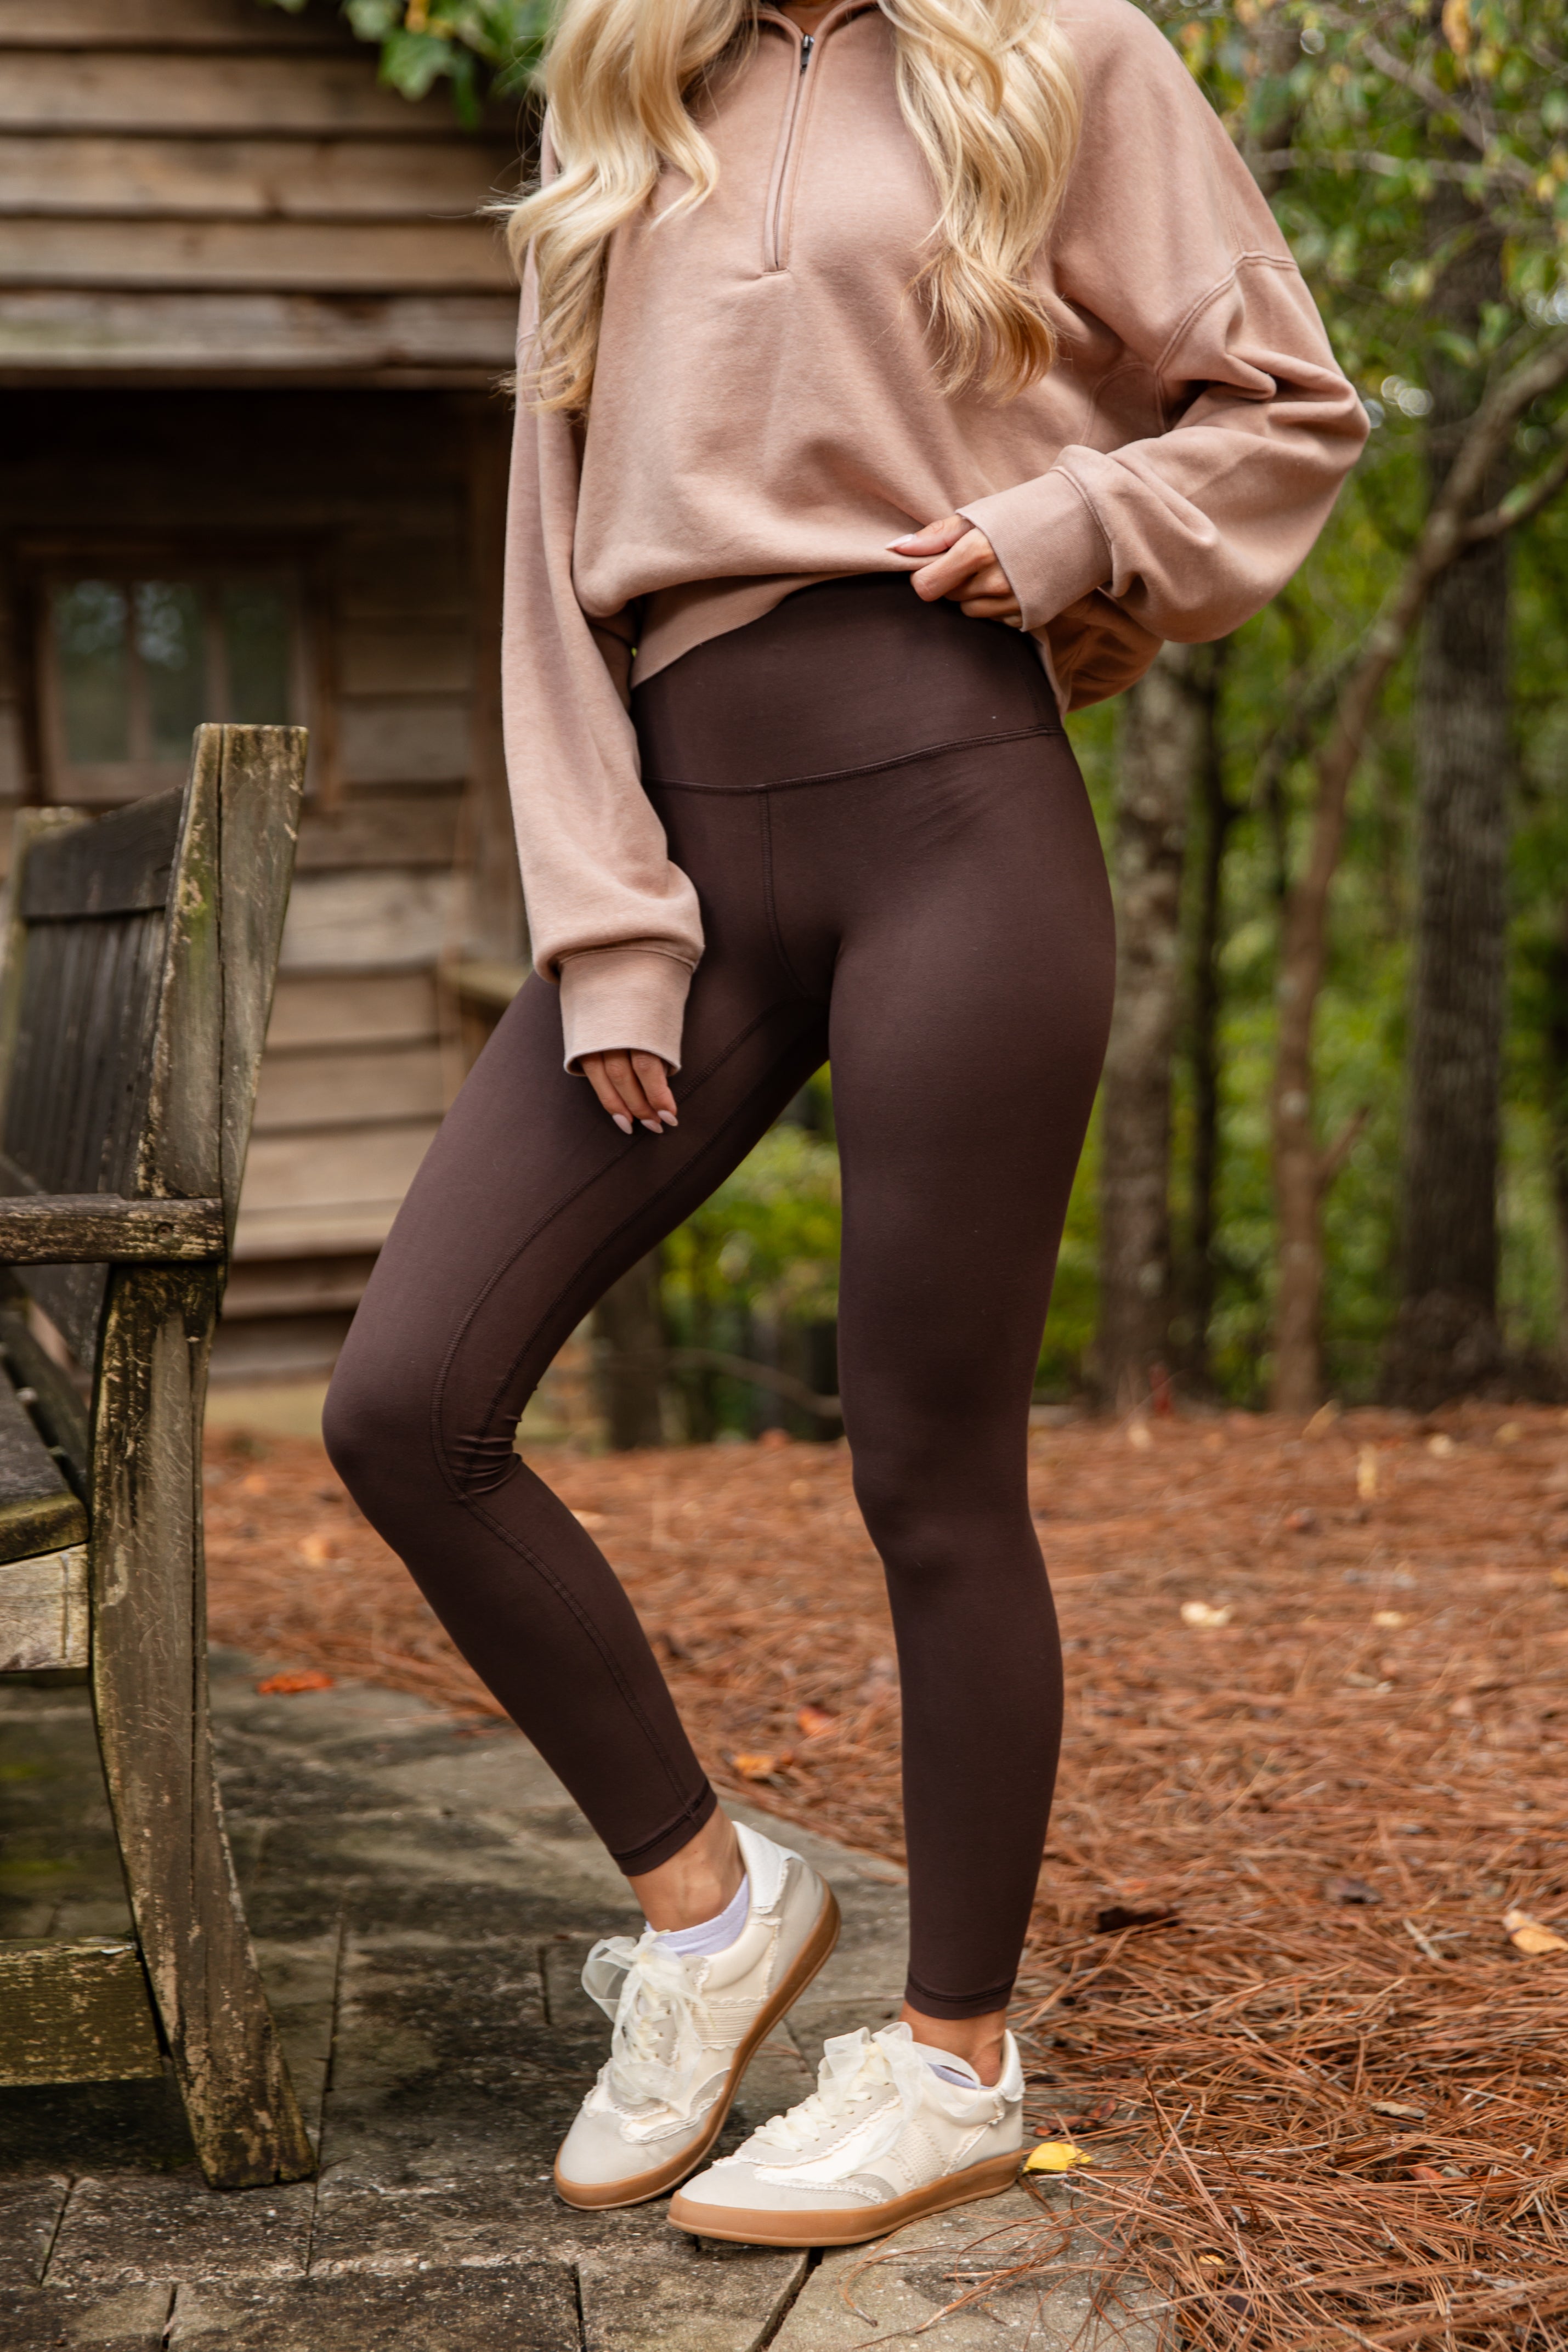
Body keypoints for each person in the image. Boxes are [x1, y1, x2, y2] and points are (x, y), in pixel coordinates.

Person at [324, 0, 1365, 2251]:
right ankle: (709, 1912)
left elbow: (1287, 404)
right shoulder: (624, 93)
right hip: (681, 846)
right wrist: (608, 921)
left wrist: (1077, 517)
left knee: (926, 1465)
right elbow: (542, 561)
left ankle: (954, 2058)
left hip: (954, 812)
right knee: (407, 1401)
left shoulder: (1057, 55)